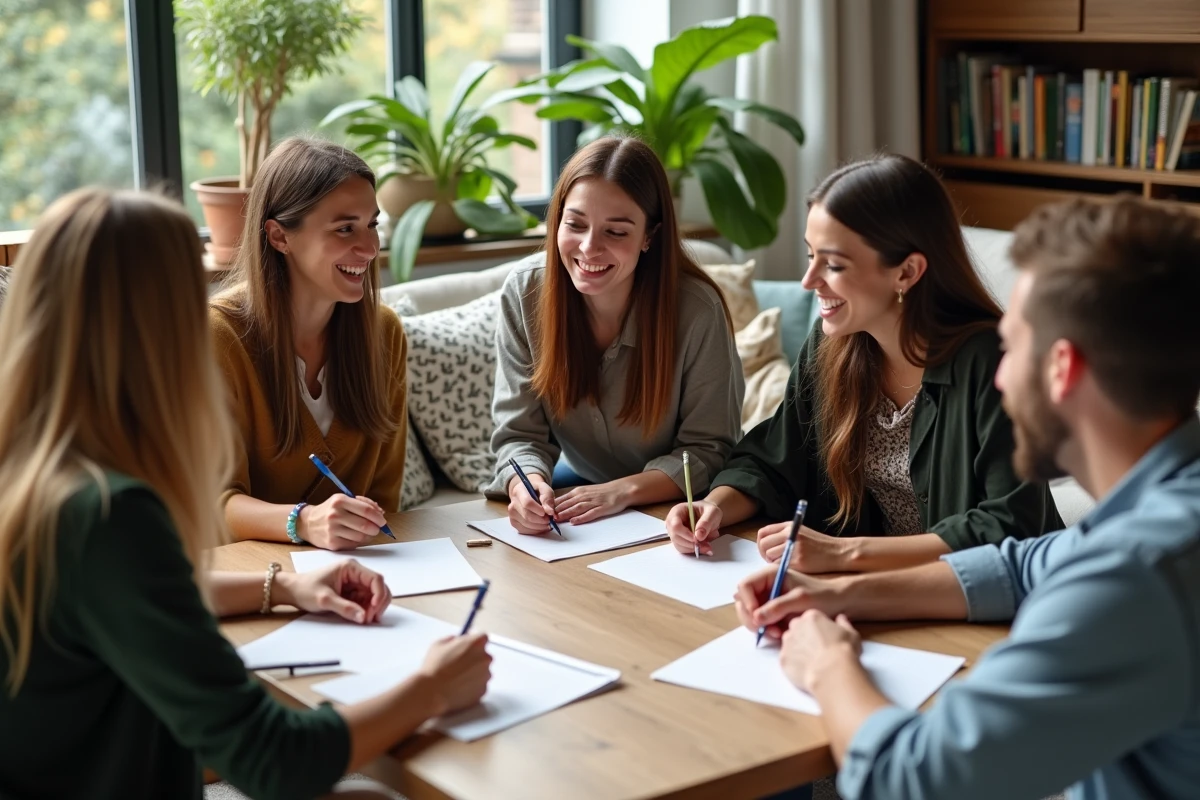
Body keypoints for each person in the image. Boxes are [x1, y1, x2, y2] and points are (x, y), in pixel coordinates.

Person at [0, 187, 492, 800]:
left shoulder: (38, 474)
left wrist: (282, 586)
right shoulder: (110, 512)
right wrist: (432, 688)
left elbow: (134, 594)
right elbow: (274, 757)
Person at [736, 196, 1200, 799]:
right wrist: (836, 595)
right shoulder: (1161, 505)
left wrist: (828, 664)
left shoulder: (1132, 577)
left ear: (1062, 369)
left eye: (1013, 348)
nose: (1000, 377)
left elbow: (909, 779)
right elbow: (1019, 565)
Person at [666, 154, 1061, 570]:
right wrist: (712, 508)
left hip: (985, 599)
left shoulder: (992, 362)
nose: (809, 280)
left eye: (834, 264)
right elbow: (773, 460)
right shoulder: (830, 343)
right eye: (810, 256)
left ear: (907, 272)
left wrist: (843, 553)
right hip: (874, 593)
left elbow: (1011, 524)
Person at [484, 136, 744, 533]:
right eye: (575, 224)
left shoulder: (697, 311)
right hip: (587, 495)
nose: (589, 248)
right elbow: (519, 435)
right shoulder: (524, 293)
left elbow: (709, 451)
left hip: (676, 508)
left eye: (616, 232)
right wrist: (527, 488)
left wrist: (619, 492)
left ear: (649, 237)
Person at [211, 136, 407, 551]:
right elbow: (212, 504)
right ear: (280, 237)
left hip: (360, 573)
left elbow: (387, 499)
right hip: (253, 579)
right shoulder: (217, 339)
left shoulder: (384, 333)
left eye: (372, 224)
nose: (370, 248)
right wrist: (306, 522)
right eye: (344, 228)